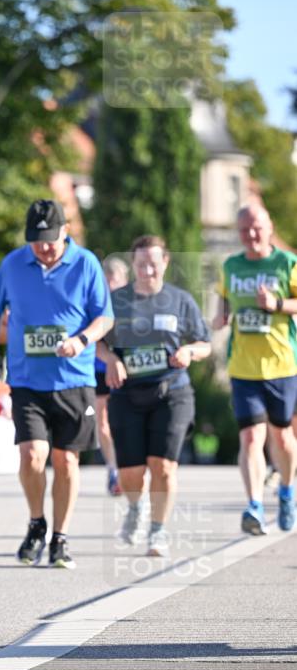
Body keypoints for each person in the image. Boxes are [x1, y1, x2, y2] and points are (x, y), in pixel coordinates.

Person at [0, 199, 113, 570]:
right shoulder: (13, 264)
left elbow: (104, 317)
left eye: (50, 240)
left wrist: (81, 341)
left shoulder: (86, 263)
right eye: (36, 240)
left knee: (66, 460)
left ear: (65, 232)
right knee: (31, 455)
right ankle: (37, 522)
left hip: (74, 378)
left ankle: (61, 537)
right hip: (26, 379)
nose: (42, 247)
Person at [97, 235, 211, 557]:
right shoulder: (116, 301)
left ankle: (158, 530)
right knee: (131, 472)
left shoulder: (180, 300)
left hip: (171, 392)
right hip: (127, 394)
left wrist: (189, 351)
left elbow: (205, 343)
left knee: (163, 466)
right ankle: (136, 508)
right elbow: (98, 340)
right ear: (133, 264)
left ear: (166, 262)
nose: (148, 270)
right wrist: (111, 359)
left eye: (154, 263)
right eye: (141, 264)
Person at [213, 205, 297, 534]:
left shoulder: (286, 263)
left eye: (256, 228)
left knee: (283, 438)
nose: (250, 235)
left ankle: (287, 491)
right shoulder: (231, 266)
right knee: (250, 438)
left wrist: (277, 305)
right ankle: (255, 506)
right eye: (244, 229)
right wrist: (221, 315)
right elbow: (223, 296)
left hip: (281, 364)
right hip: (243, 367)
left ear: (269, 227)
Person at [95, 256, 129, 496]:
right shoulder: (96, 304)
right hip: (98, 368)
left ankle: (128, 466)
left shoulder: (131, 305)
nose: (110, 286)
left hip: (126, 370)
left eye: (114, 281)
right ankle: (113, 468)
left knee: (124, 422)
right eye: (106, 282)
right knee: (103, 421)